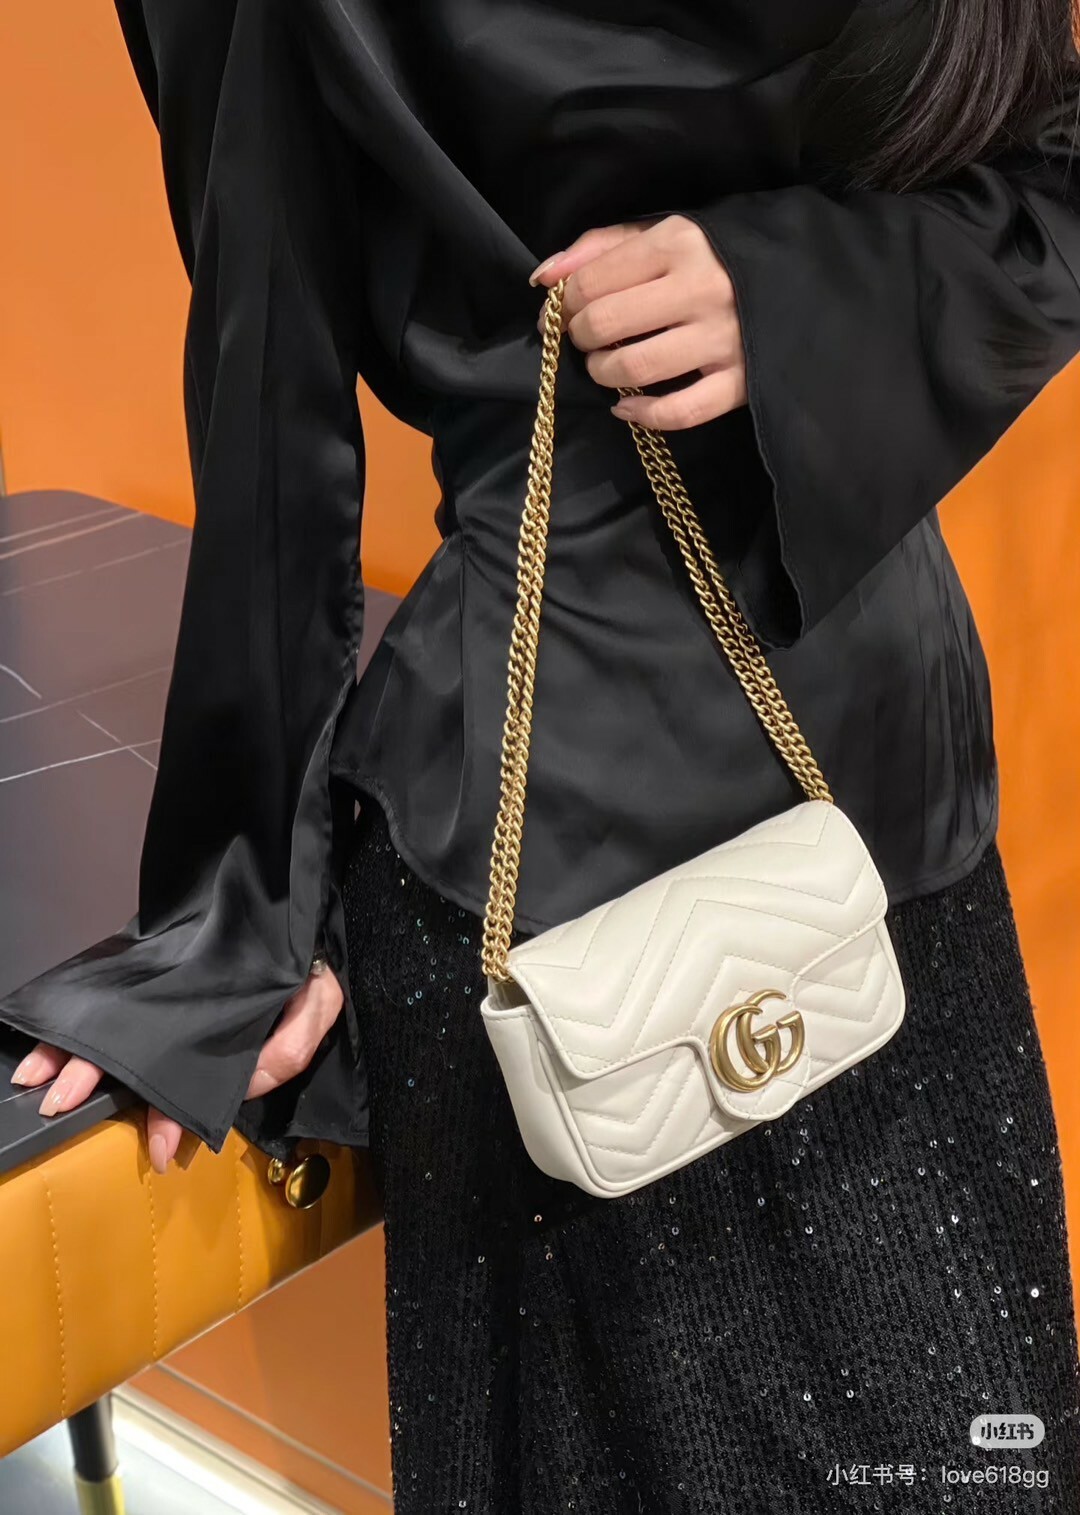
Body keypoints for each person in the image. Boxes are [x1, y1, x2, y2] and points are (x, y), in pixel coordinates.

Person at [4, 0, 1080, 1506]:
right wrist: (248, 906)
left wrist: (793, 290)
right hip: (557, 883)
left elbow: (1043, 164)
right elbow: (268, 366)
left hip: (895, 819)